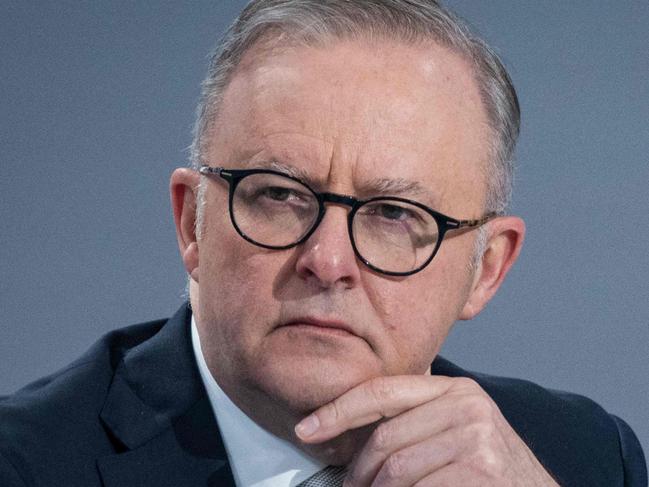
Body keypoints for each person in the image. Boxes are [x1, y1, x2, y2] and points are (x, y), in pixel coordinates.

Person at [0, 1, 645, 486]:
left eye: (395, 214)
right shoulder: (24, 463)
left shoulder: (580, 458)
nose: (329, 262)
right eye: (280, 195)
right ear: (192, 223)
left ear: (487, 269)